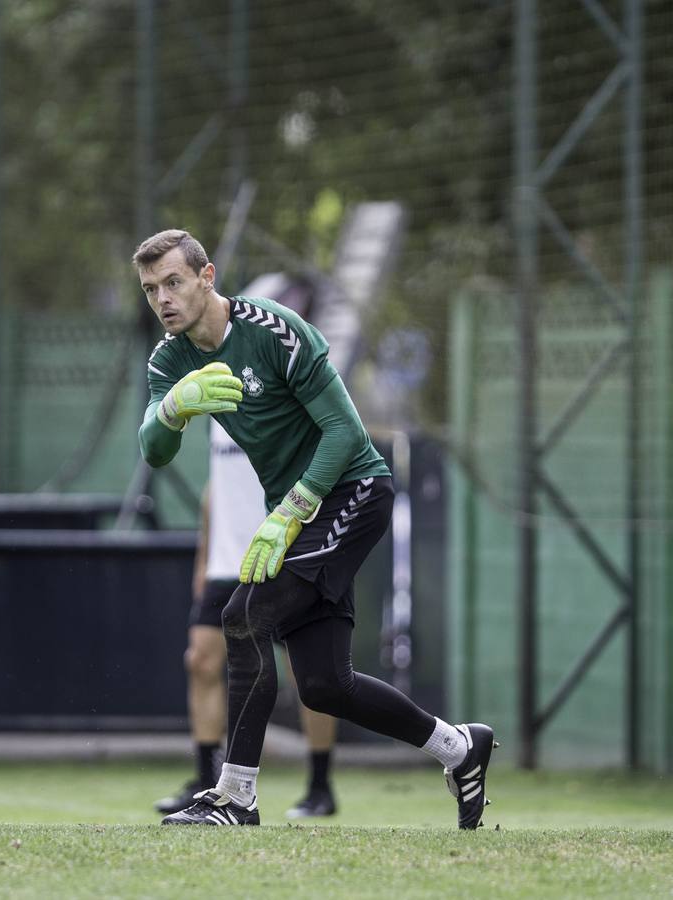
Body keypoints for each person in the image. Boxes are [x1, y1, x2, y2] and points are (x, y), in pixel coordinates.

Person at [134, 228, 496, 829]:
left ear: (207, 277)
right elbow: (154, 451)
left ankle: (236, 796)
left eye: (173, 282)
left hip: (350, 491)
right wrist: (172, 409)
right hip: (300, 513)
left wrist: (290, 511)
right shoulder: (170, 359)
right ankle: (459, 749)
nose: (163, 299)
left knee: (241, 617)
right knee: (325, 685)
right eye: (151, 289)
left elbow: (346, 433)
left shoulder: (273, 329)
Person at [153, 419, 340, 819]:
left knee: (310, 676)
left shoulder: (285, 393)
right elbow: (216, 486)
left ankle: (320, 785)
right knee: (201, 661)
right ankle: (207, 780)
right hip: (225, 562)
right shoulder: (218, 407)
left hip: (280, 555)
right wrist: (204, 553)